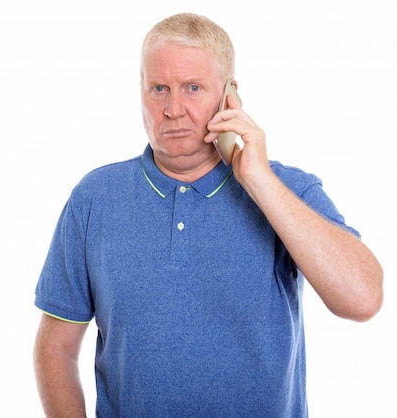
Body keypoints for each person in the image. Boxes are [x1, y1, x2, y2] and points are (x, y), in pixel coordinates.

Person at [32, 12, 383, 417]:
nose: (173, 109)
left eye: (193, 88)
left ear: (230, 95)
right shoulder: (95, 197)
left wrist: (258, 179)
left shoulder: (288, 189)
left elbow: (362, 300)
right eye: (158, 88)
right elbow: (55, 347)